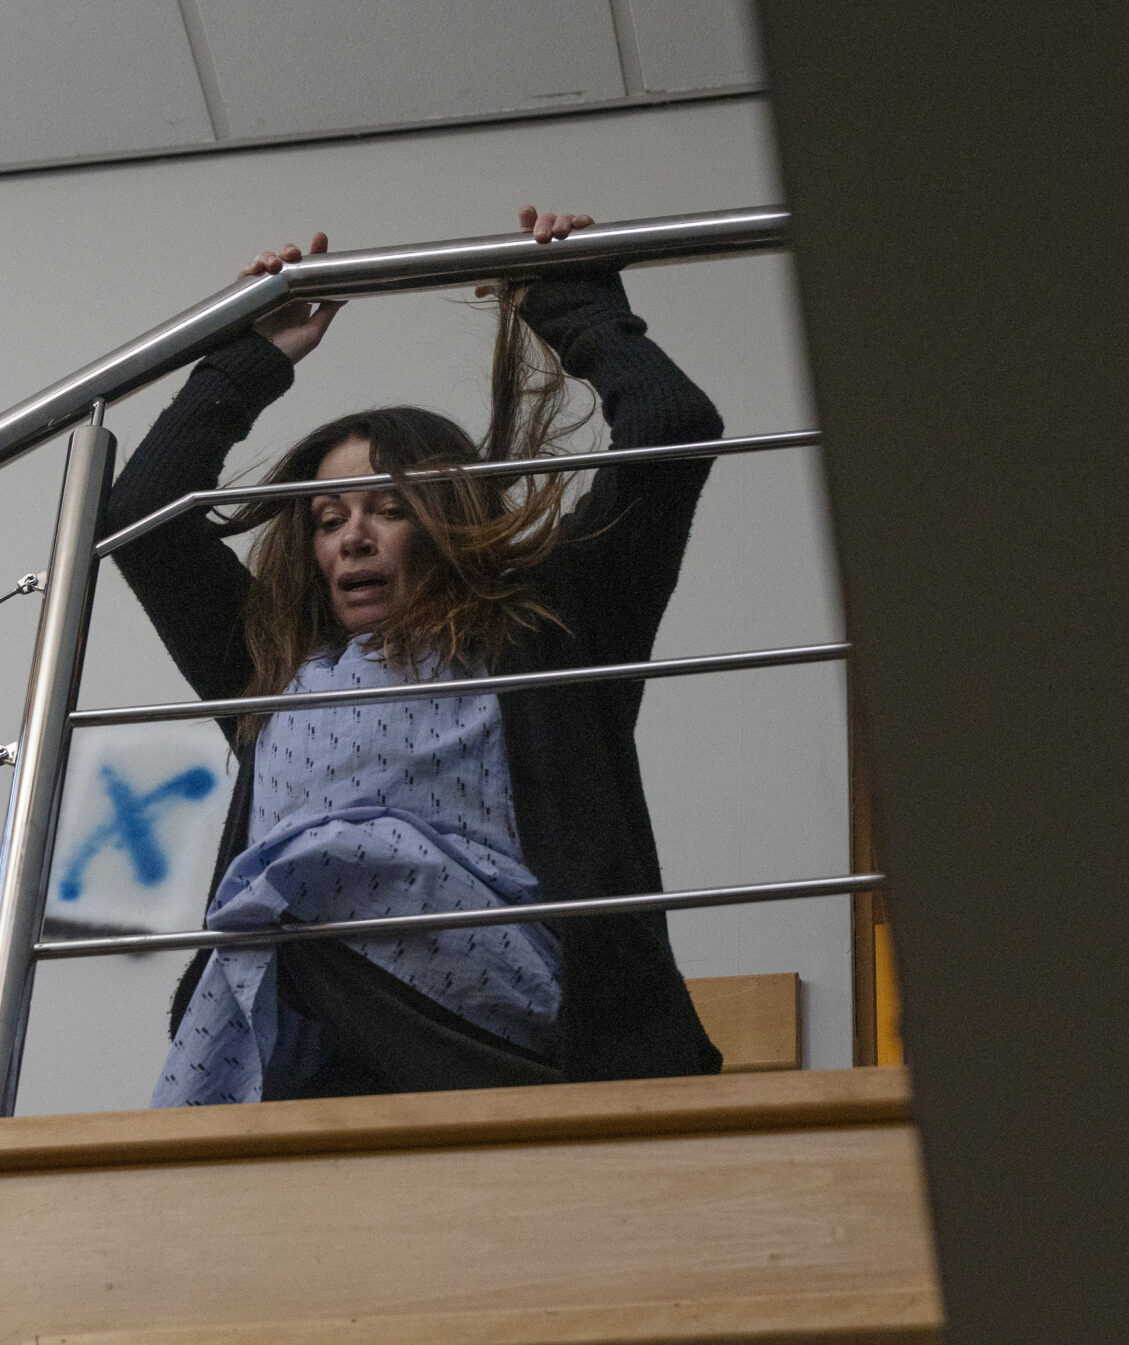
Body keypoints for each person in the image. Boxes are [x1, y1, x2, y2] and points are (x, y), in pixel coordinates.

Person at [104, 205, 726, 1105]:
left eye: (387, 508)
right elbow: (144, 517)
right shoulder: (276, 661)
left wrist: (567, 298)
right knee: (284, 910)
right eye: (329, 518)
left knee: (294, 885)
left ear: (449, 522)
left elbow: (672, 424)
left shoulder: (547, 626)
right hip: (320, 1029)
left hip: (513, 1027)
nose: (352, 537)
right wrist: (253, 352)